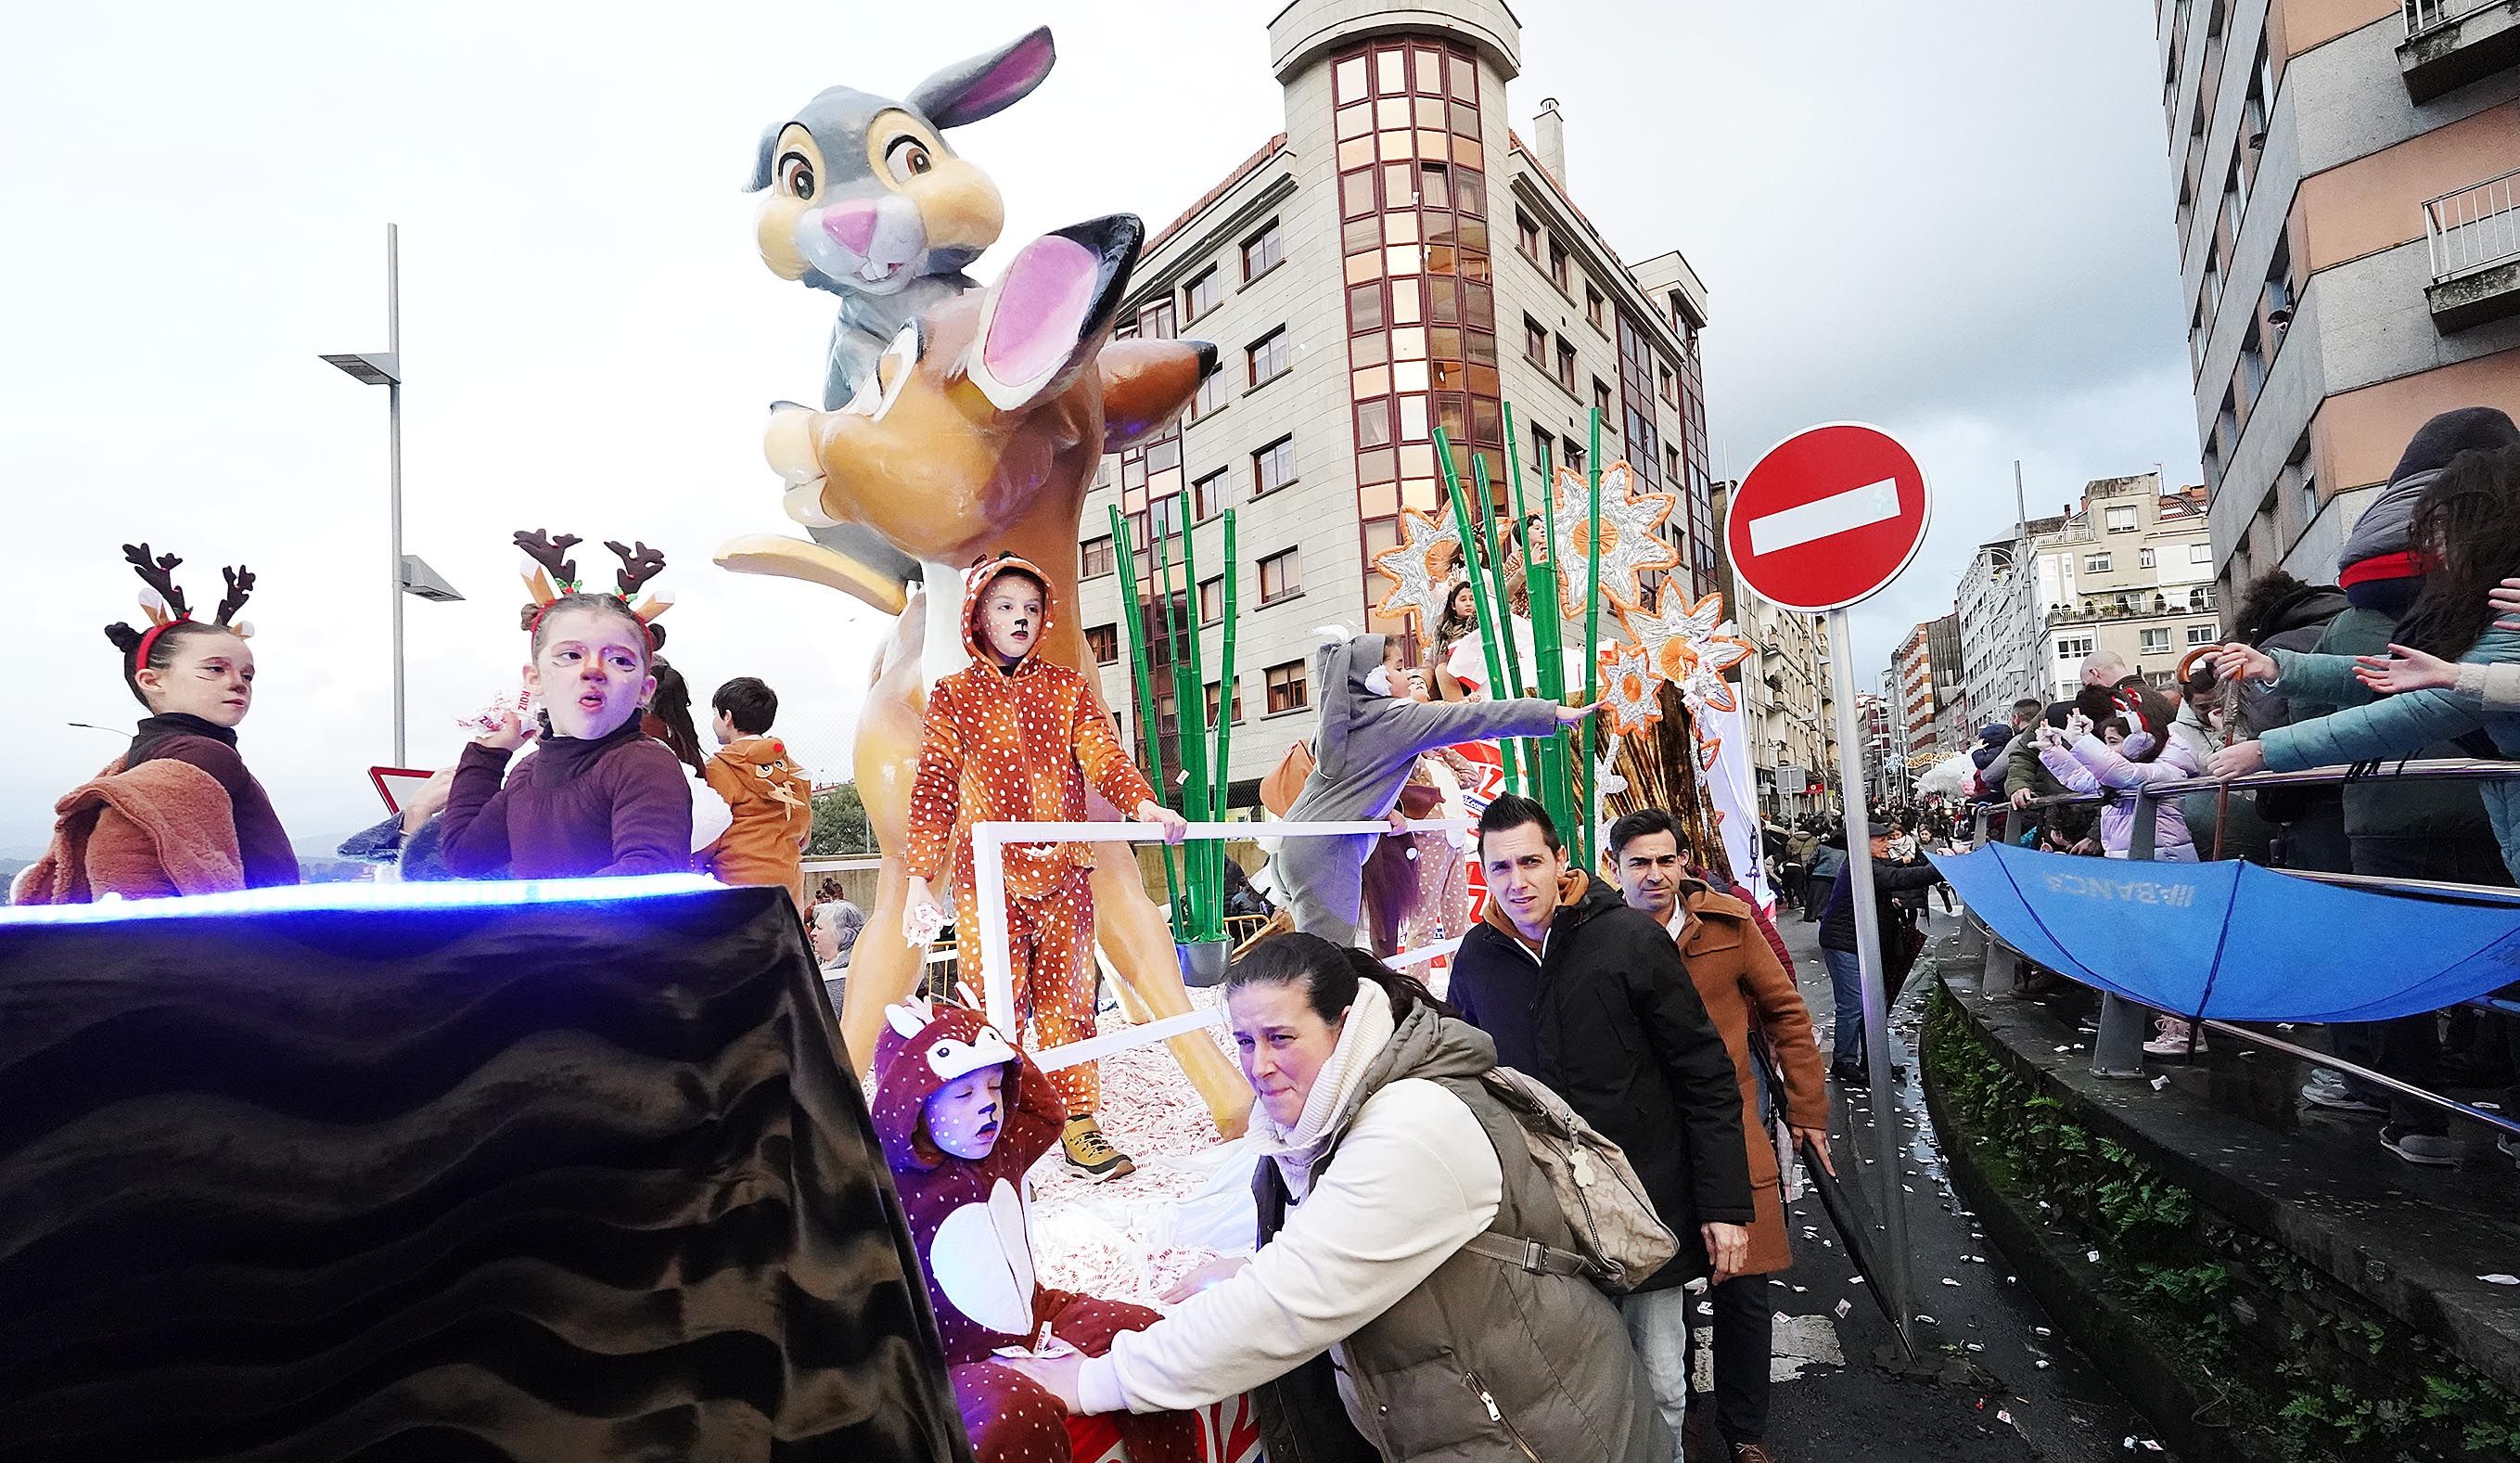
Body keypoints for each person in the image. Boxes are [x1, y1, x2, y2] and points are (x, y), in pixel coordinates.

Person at [1001, 931, 1672, 1462]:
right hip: (1486, 1424)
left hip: (1539, 1435)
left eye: (1281, 1037)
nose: (1258, 1064)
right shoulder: (1335, 1118)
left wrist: (1089, 1382)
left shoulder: (1412, 1124)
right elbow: (1339, 1248)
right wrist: (1244, 1268)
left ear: (1344, 1024)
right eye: (1242, 1040)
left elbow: (1286, 1302)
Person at [1447, 795, 1752, 1454]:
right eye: (1499, 867)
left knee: (1661, 1381)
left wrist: (1724, 1204)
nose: (1517, 881)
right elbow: (1466, 1079)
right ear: (1484, 873)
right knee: (1571, 1391)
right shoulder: (1476, 959)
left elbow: (1703, 1074)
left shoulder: (1628, 938)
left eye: (1531, 860)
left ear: (1562, 860)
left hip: (1643, 1205)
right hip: (1543, 1220)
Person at [902, 555, 1184, 1183]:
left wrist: (1141, 800)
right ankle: (992, 1122)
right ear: (978, 616)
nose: (1020, 618)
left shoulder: (1067, 687)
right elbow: (934, 788)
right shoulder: (953, 695)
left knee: (1068, 1002)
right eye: (1005, 606)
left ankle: (1078, 1122)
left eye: (1030, 608)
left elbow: (1102, 754)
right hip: (988, 878)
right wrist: (920, 879)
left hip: (1063, 870)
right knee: (995, 1003)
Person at [869, 996, 1198, 1463]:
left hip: (1034, 1316)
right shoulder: (883, 1184)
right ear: (913, 1102)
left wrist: (987, 1036)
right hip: (947, 1358)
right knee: (1016, 1413)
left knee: (1143, 1335)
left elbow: (1047, 1109)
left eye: (993, 1087)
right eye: (963, 1095)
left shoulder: (1003, 1146)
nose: (987, 1106)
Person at [1609, 809, 1827, 1463]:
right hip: (1647, 1144)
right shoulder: (1600, 937)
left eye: (1664, 860)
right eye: (1638, 862)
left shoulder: (1727, 926)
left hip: (1732, 1131)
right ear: (1613, 867)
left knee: (1745, 1290)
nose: (1654, 874)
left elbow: (1786, 1010)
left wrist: (1806, 1108)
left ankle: (1745, 1430)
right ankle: (1684, 1416)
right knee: (1661, 1289)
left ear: (1683, 862)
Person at [1274, 632, 1587, 946]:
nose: (1408, 674)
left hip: (1293, 845)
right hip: (1329, 853)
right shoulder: (1398, 718)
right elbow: (1476, 717)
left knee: (1319, 956)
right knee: (1328, 961)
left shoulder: (1347, 721)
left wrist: (1386, 810)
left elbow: (1348, 786)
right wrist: (1550, 713)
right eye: (1397, 667)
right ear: (1374, 678)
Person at [22, 546, 298, 903]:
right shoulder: (202, 753)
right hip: (229, 947)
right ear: (152, 681)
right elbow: (121, 855)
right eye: (215, 669)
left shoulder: (148, 755)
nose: (237, 682)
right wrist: (157, 939)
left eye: (247, 674)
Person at [440, 589, 694, 879]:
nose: (593, 670)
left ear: (644, 691)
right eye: (571, 655)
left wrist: (536, 918)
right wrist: (487, 754)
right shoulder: (526, 774)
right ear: (534, 680)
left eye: (621, 661)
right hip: (539, 926)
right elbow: (463, 855)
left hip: (596, 927)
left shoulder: (643, 764)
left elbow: (648, 875)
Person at [1817, 823, 1946, 1081]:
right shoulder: (1862, 866)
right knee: (1853, 1004)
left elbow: (1897, 872)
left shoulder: (1869, 865)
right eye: (1881, 841)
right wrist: (1938, 870)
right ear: (1864, 844)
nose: (1887, 844)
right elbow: (1896, 878)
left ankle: (1873, 1060)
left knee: (1873, 1005)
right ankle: (1844, 1061)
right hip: (1844, 944)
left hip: (1860, 944)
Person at [702, 675, 813, 913]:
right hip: (788, 889)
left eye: (715, 714)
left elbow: (708, 834)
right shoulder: (794, 770)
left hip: (735, 889)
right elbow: (804, 837)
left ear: (728, 717)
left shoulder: (719, 768)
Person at [1801, 825, 1845, 923]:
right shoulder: (1846, 848)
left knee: (1816, 901)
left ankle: (1816, 915)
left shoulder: (1822, 846)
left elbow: (1811, 861)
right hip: (1836, 877)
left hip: (1819, 875)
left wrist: (1809, 874)